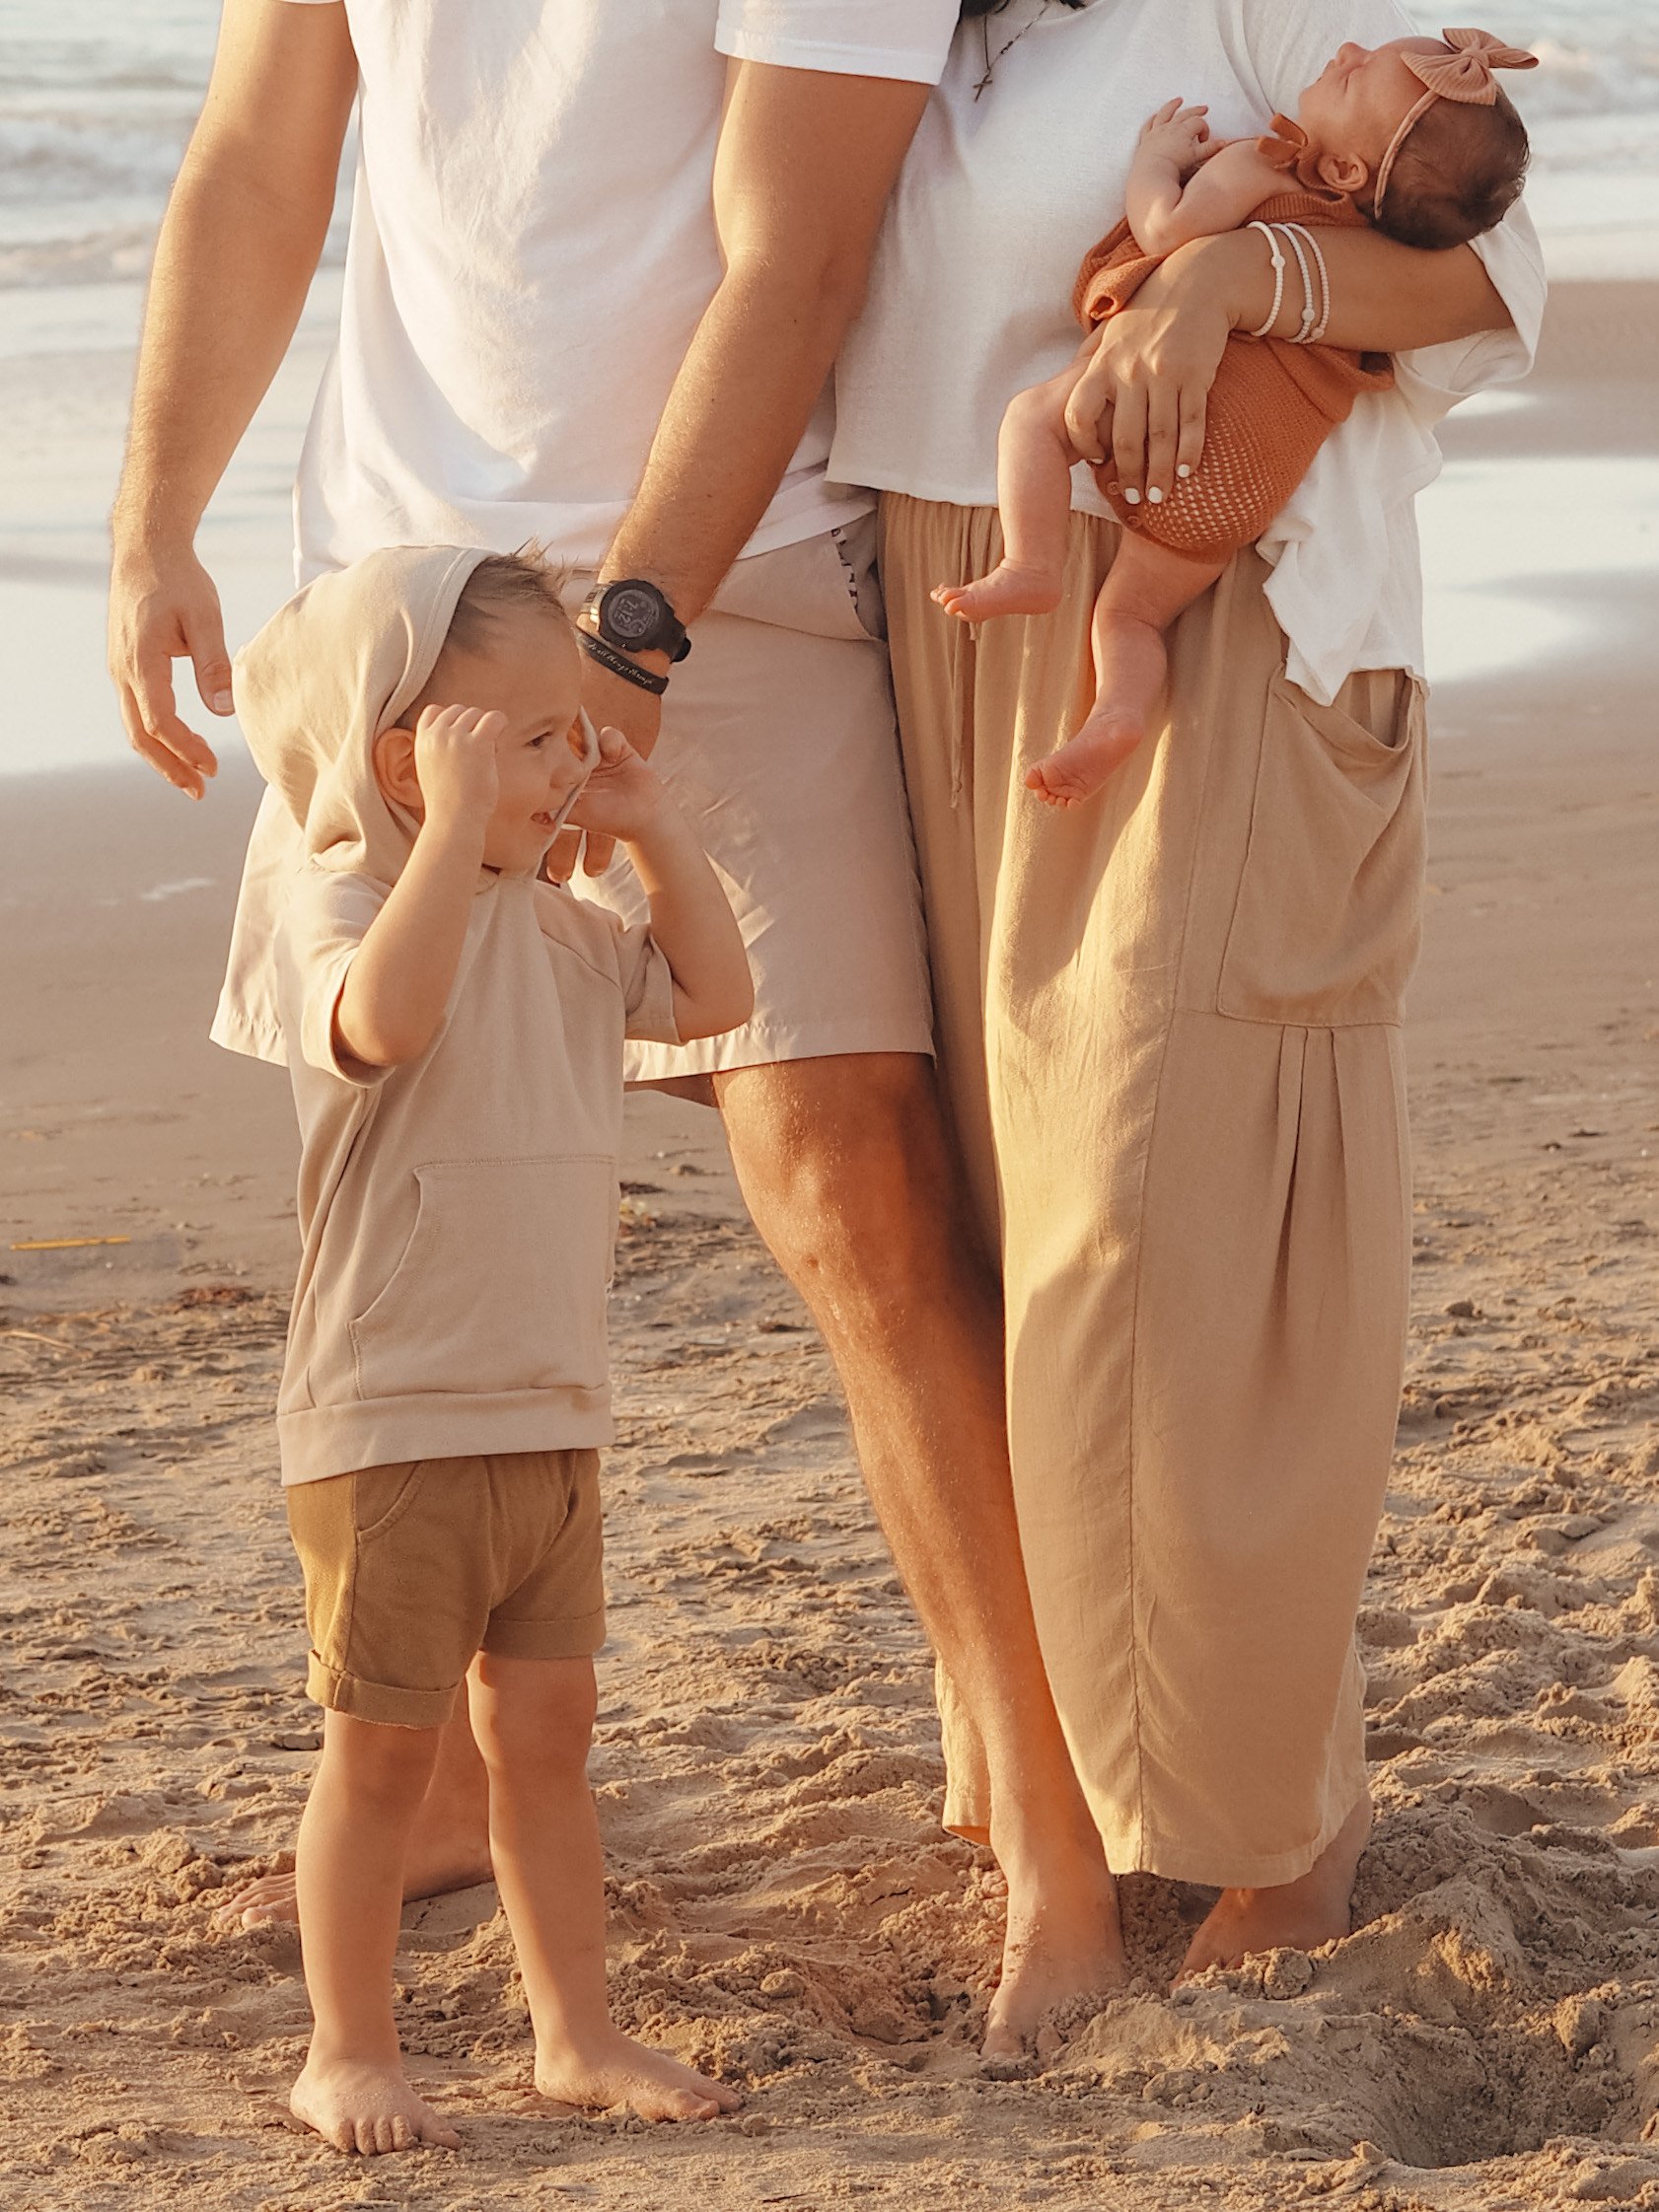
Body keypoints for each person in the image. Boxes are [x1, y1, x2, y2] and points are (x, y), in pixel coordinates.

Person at [108, 0, 1120, 2055]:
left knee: (847, 1181)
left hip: (712, 571)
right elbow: (255, 160)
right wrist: (154, 518)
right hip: (391, 598)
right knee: (410, 1203)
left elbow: (797, 250)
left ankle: (1050, 1816)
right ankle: (450, 1770)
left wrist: (630, 642)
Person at [831, 0, 1545, 1978]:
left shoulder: (1270, 13)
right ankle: (1125, 1780)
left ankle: (1282, 1819)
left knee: (1180, 1204)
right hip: (957, 579)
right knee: (1029, 1202)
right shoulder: (928, 29)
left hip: (1231, 611)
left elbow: (1497, 267)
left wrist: (1240, 268)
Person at [237, 541, 753, 2151]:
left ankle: (574, 2029)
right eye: (526, 734)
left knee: (548, 1737)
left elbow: (716, 994)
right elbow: (381, 1024)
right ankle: (346, 2045)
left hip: (547, 1405)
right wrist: (453, 838)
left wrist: (655, 833)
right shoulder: (335, 901)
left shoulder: (566, 926)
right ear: (403, 752)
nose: (568, 759)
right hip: (390, 1416)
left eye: (569, 729)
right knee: (383, 1753)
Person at [935, 31, 1536, 807]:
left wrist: (1156, 158)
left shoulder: (1263, 163)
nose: (1345, 48)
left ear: (1348, 168)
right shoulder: (1370, 245)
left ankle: (1031, 564)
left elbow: (1167, 231)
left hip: (1164, 409)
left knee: (1032, 421)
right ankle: (1114, 716)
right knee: (1130, 617)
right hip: (1243, 490)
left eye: (1354, 76)